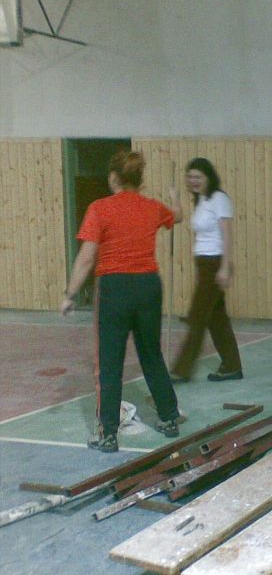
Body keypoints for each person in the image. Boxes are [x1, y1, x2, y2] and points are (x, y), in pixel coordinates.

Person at [61, 151, 183, 453]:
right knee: (151, 354)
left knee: (110, 362)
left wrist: (70, 294)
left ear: (113, 178)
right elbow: (178, 217)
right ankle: (169, 418)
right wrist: (175, 199)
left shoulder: (100, 208)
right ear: (139, 180)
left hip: (114, 287)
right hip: (148, 286)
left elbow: (86, 257)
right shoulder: (152, 207)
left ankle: (107, 434)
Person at [171, 157, 244, 382]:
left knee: (198, 318)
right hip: (204, 264)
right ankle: (232, 366)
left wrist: (225, 267)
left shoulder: (219, 199)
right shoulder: (201, 200)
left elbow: (227, 235)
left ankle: (181, 370)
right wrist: (175, 200)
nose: (193, 180)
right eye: (190, 176)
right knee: (216, 319)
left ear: (208, 177)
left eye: (198, 177)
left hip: (215, 264)